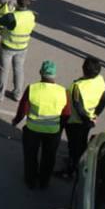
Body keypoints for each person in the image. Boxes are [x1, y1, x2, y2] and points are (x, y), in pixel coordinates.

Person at [13, 60, 70, 190]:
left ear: (40, 73)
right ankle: (44, 182)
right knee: (49, 157)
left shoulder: (32, 89)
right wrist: (58, 128)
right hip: (53, 131)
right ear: (55, 75)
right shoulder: (63, 92)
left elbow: (23, 109)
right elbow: (66, 113)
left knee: (30, 155)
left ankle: (30, 181)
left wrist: (16, 121)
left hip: (33, 129)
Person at [62, 57, 105, 178]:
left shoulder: (77, 86)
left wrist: (86, 120)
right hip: (89, 119)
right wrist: (95, 115)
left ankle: (71, 170)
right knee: (82, 142)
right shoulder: (100, 80)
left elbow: (78, 107)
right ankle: (77, 162)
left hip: (76, 121)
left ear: (83, 70)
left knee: (73, 144)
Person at [0, 0, 36, 102]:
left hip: (8, 46)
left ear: (17, 3)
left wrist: (10, 9)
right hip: (22, 47)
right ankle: (17, 94)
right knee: (19, 70)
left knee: (4, 70)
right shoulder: (31, 15)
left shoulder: (12, 16)